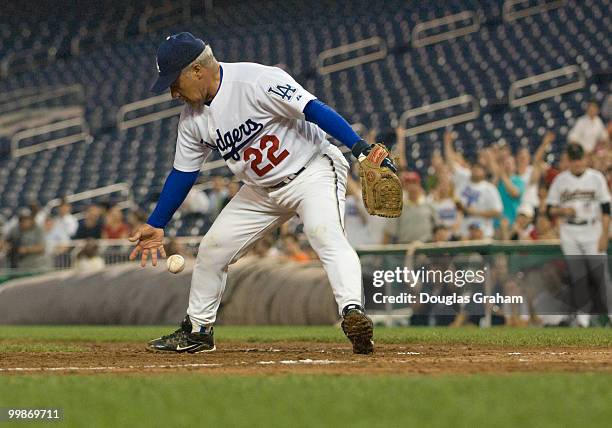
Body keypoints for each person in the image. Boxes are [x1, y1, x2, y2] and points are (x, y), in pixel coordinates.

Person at [128, 32, 396, 354]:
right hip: (260, 191)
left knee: (325, 235)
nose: (172, 93)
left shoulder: (256, 80)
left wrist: (360, 147)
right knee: (213, 249)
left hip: (312, 171)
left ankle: (352, 312)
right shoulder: (192, 121)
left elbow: (312, 109)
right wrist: (157, 223)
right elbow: (183, 174)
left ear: (196, 71)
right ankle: (198, 331)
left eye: (174, 81)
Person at [546, 143, 610, 325]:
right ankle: (583, 321)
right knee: (578, 277)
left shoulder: (596, 177)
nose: (577, 163)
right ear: (569, 161)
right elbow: (549, 209)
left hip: (592, 230)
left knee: (600, 276)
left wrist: (604, 234)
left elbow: (606, 208)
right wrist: (562, 211)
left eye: (579, 159)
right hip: (570, 231)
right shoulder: (560, 180)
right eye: (574, 160)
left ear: (585, 158)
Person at [383, 171, 438, 244]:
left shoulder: (429, 204)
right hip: (405, 247)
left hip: (426, 246)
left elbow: (438, 228)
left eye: (414, 183)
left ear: (419, 184)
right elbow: (389, 232)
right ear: (405, 186)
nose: (412, 187)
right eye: (408, 183)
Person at [455, 163, 503, 239]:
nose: (476, 171)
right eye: (474, 169)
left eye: (479, 169)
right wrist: (463, 209)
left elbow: (497, 211)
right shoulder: (462, 185)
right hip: (464, 232)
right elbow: (456, 203)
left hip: (484, 232)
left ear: (484, 172)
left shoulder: (489, 188)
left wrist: (476, 212)